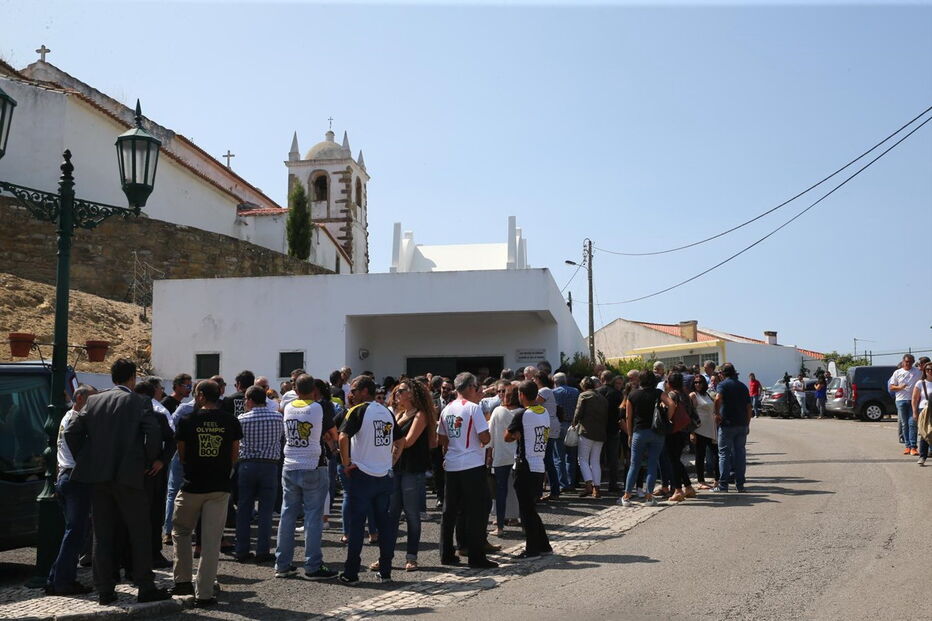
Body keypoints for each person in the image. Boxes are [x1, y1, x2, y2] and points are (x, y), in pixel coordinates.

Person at [65, 359, 169, 605]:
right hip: (130, 475)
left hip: (99, 476)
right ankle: (145, 585)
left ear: (112, 377)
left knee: (102, 534)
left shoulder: (94, 401)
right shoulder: (139, 401)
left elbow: (72, 432)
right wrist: (148, 460)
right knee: (139, 531)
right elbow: (153, 433)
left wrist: (87, 459)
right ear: (132, 378)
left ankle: (105, 589)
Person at [171, 379, 242, 607]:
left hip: (192, 484)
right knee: (211, 541)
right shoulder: (230, 421)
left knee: (181, 531)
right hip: (219, 487)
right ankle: (204, 592)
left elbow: (182, 455)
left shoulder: (187, 420)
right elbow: (234, 454)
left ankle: (182, 581)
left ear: (200, 395)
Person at [338, 375, 406, 584]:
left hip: (362, 475)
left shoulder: (358, 410)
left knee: (356, 526)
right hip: (383, 475)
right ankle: (385, 571)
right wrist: (391, 461)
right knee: (384, 525)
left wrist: (346, 463)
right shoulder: (386, 411)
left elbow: (342, 437)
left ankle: (351, 573)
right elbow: (400, 440)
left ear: (364, 391)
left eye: (354, 390)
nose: (351, 394)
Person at [275, 375, 339, 580]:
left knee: (287, 515)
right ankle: (312, 565)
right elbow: (333, 434)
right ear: (314, 390)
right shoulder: (318, 408)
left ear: (295, 390)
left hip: (290, 464)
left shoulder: (288, 407)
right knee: (313, 517)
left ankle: (282, 564)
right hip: (313, 464)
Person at [437, 372, 498, 569]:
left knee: (450, 511)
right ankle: (476, 556)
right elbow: (485, 437)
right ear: (471, 387)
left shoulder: (447, 409)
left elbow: (442, 439)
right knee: (476, 511)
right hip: (471, 464)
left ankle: (446, 553)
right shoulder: (473, 408)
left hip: (452, 464)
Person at [46, 385, 98, 595]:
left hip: (66, 477)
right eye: (92, 399)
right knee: (76, 533)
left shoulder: (68, 415)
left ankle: (56, 578)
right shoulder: (76, 420)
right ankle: (62, 581)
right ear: (81, 399)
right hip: (75, 478)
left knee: (74, 532)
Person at [385, 379, 435, 572]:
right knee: (392, 515)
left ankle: (411, 557)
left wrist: (390, 442)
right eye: (397, 390)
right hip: (396, 468)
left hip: (412, 470)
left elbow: (408, 441)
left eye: (402, 390)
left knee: (412, 514)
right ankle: (385, 557)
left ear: (412, 394)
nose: (397, 393)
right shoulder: (399, 414)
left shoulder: (420, 415)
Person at [235, 385, 284, 563]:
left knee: (244, 508)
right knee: (266, 510)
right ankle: (263, 550)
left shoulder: (242, 419)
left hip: (247, 465)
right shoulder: (277, 417)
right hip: (270, 466)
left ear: (249, 400)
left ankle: (242, 550)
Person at [505, 380, 552, 559]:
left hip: (525, 465)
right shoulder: (544, 412)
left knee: (526, 511)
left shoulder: (522, 414)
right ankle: (544, 545)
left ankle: (532, 549)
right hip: (539, 464)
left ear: (521, 395)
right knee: (530, 508)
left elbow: (507, 436)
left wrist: (518, 435)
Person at [134, 378, 176, 569]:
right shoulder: (127, 414)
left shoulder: (159, 415)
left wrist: (162, 461)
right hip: (133, 472)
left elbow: (171, 440)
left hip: (153, 473)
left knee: (154, 514)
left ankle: (153, 553)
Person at [620, 370, 675, 507]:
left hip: (639, 432)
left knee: (634, 464)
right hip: (656, 432)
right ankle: (649, 497)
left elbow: (628, 417)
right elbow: (672, 404)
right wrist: (666, 419)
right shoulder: (658, 393)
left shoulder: (633, 395)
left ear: (640, 380)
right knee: (652, 463)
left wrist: (630, 434)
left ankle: (627, 496)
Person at [713, 363, 752, 493]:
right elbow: (749, 407)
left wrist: (716, 414)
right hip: (741, 424)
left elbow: (717, 399)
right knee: (740, 454)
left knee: (724, 454)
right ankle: (740, 484)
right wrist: (747, 424)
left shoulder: (722, 385)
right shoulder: (743, 386)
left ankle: (723, 485)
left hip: (727, 424)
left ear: (722, 374)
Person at [524, 367, 561, 501]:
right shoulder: (546, 390)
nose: (533, 381)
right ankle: (550, 490)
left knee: (547, 460)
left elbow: (532, 403)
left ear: (539, 379)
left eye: (534, 379)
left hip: (548, 426)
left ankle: (553, 490)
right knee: (546, 459)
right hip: (547, 425)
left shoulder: (544, 391)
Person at [488, 383, 520, 537]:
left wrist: (489, 455)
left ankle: (500, 527)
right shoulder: (523, 412)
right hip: (518, 457)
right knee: (520, 492)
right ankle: (524, 525)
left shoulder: (497, 411)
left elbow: (490, 436)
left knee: (500, 492)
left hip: (500, 456)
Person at [573, 376, 608, 499]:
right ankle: (596, 489)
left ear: (583, 386)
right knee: (595, 461)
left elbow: (578, 412)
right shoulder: (602, 398)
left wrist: (574, 423)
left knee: (582, 459)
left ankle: (588, 485)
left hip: (586, 430)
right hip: (600, 432)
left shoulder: (584, 395)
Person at [664, 373, 697, 503]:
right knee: (676, 460)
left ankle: (678, 490)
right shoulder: (685, 395)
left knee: (673, 461)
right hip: (684, 430)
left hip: (674, 431)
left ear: (670, 383)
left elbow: (669, 413)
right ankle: (688, 487)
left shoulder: (672, 395)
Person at [596, 370, 623, 492]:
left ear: (601, 379)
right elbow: (620, 412)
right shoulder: (617, 394)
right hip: (613, 428)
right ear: (612, 379)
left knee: (598, 458)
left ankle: (598, 484)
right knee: (613, 458)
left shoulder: (597, 392)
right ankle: (613, 484)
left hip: (599, 428)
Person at [552, 372, 580, 491]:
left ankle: (563, 484)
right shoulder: (575, 391)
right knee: (571, 456)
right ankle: (571, 482)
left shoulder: (553, 393)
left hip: (559, 424)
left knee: (559, 456)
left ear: (555, 382)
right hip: (572, 425)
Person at [690, 374, 719, 489]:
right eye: (695, 382)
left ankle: (717, 479)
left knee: (716, 455)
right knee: (700, 456)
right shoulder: (693, 395)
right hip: (699, 430)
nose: (697, 384)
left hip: (711, 429)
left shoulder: (706, 394)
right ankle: (701, 481)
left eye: (700, 382)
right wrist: (692, 432)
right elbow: (691, 414)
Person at [889, 354, 921, 455]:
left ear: (913, 362)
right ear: (903, 361)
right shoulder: (897, 372)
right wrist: (900, 387)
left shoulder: (917, 372)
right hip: (901, 400)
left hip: (913, 400)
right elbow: (891, 387)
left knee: (912, 423)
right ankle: (907, 446)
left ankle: (913, 447)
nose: (908, 364)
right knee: (904, 424)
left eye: (910, 362)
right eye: (906, 361)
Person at [911, 361, 932, 466]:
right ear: (924, 371)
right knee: (924, 433)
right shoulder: (920, 383)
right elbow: (914, 399)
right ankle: (922, 456)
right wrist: (915, 412)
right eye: (928, 369)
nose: (930, 371)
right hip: (924, 410)